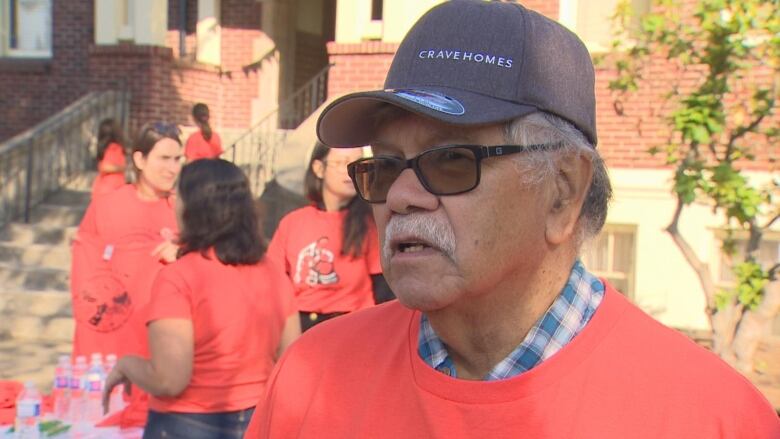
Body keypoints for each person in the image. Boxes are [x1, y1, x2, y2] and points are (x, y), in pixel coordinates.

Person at [246, 1, 780, 438]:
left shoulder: (709, 418)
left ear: (563, 193)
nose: (402, 195)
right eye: (385, 166)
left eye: (451, 160)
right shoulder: (311, 375)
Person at [102, 159, 300, 439]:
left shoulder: (179, 277)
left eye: (176, 195)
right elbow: (289, 359)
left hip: (187, 423)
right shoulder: (273, 272)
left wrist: (126, 365)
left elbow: (169, 379)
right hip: (256, 419)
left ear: (192, 207)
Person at [71, 122, 183, 427]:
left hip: (161, 341)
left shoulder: (183, 209)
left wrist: (182, 254)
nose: (172, 168)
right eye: (164, 159)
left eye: (177, 159)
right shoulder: (106, 206)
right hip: (114, 338)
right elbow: (87, 276)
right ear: (139, 159)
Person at [267, 142, 391, 332]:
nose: (349, 172)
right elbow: (273, 282)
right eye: (341, 163)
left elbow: (384, 290)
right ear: (319, 168)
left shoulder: (371, 223)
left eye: (357, 164)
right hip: (299, 327)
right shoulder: (292, 223)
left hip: (353, 327)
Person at [92, 118, 127, 195]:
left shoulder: (107, 148)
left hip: (104, 187)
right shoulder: (114, 148)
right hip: (111, 188)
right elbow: (105, 167)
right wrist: (123, 168)